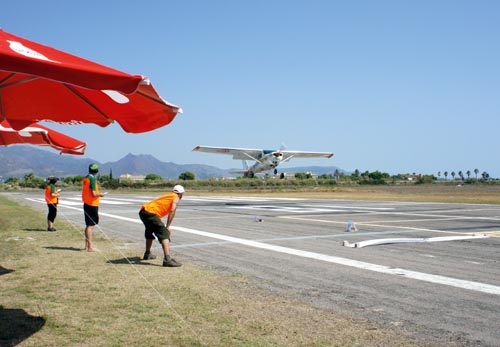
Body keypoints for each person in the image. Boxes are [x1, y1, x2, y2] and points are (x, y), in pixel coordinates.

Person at [139, 185, 185, 267]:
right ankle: (167, 259)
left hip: (143, 212)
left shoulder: (169, 195)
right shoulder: (176, 197)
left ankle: (147, 254)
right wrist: (167, 226)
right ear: (181, 193)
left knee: (149, 231)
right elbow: (172, 210)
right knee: (164, 233)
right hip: (151, 213)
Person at [81, 163, 106, 252]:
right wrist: (101, 194)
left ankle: (86, 246)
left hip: (86, 203)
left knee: (88, 225)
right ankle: (90, 247)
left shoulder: (86, 178)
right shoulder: (92, 179)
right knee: (91, 226)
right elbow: (94, 193)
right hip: (92, 204)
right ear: (96, 171)